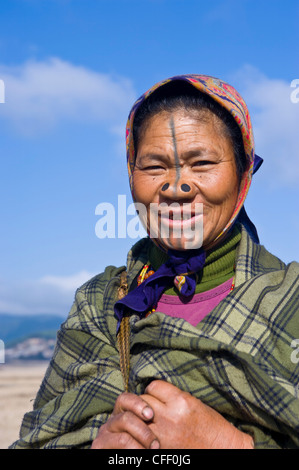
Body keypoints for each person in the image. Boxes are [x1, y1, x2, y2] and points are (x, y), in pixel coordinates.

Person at [10, 74, 299, 449]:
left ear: (243, 174)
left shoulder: (290, 300)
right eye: (154, 167)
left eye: (202, 163)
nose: (177, 187)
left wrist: (230, 444)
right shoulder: (99, 304)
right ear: (131, 177)